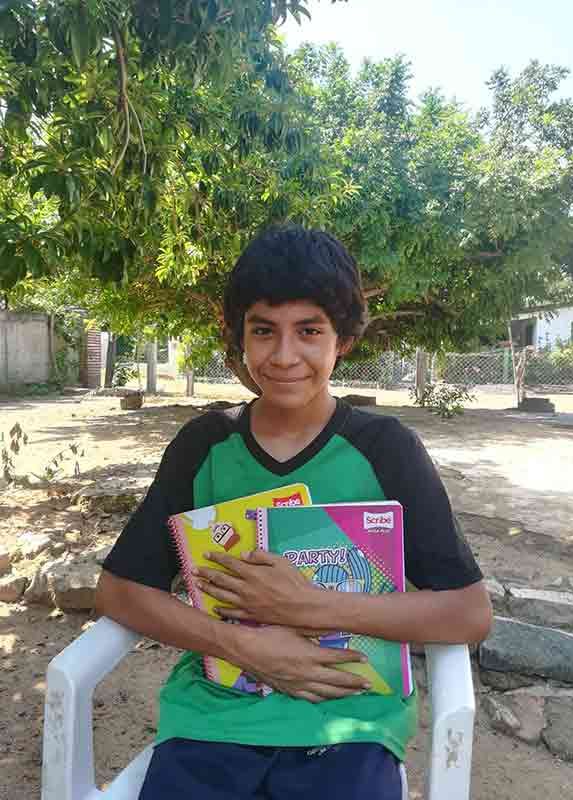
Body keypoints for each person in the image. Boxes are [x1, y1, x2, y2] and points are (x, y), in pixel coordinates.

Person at [96, 225, 492, 800]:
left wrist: (307, 604)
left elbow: (468, 613)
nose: (284, 357)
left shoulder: (386, 450)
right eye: (264, 331)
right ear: (239, 338)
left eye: (309, 331)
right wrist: (243, 645)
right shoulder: (204, 445)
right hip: (215, 719)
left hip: (348, 721)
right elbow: (120, 591)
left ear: (344, 341)